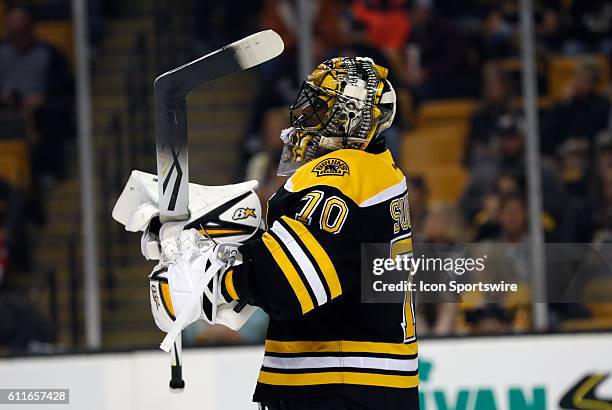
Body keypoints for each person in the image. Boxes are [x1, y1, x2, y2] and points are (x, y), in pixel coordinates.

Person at [160, 57, 419, 409]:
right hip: (360, 384)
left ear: (351, 119)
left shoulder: (344, 171)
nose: (302, 119)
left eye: (319, 109)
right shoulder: (377, 171)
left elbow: (287, 284)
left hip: (337, 385)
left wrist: (215, 283)